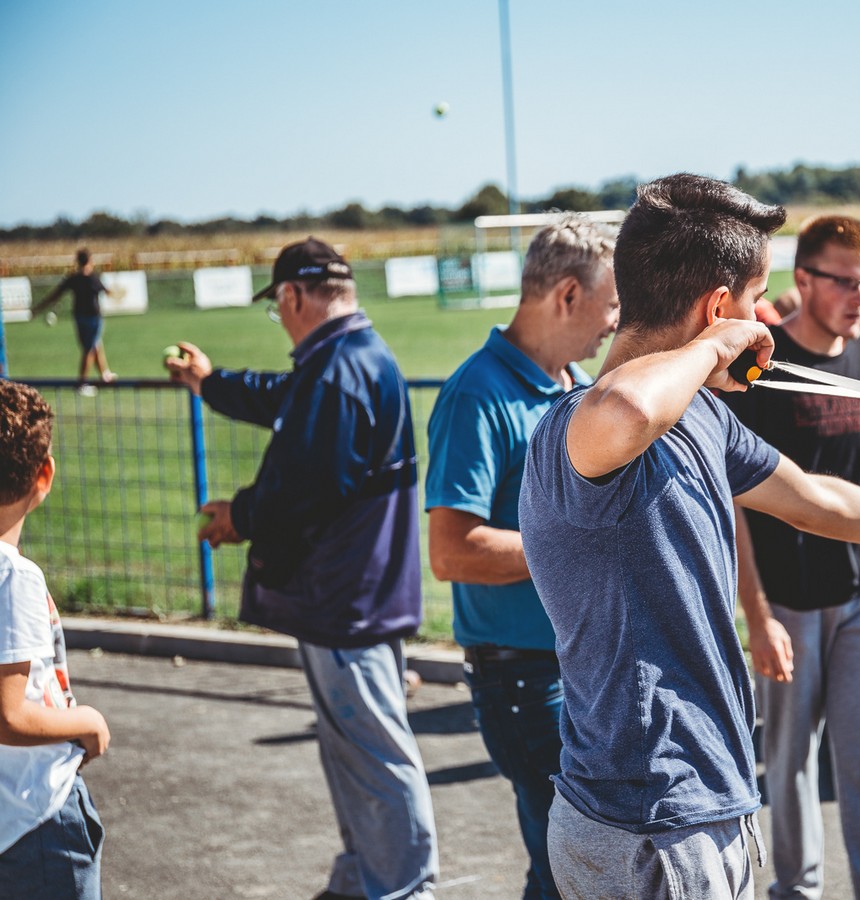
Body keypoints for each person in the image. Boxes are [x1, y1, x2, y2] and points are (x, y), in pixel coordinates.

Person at [516, 173, 860, 899]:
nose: (766, 318)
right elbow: (627, 402)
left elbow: (812, 499)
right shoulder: (579, 427)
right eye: (755, 302)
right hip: (648, 821)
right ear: (718, 308)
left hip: (695, 806)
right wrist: (717, 345)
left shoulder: (700, 415)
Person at [165, 238, 438, 900]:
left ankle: (404, 887)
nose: (280, 319)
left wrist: (241, 514)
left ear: (292, 296)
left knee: (374, 757)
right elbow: (287, 402)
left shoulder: (341, 370)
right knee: (355, 754)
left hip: (348, 598)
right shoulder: (342, 360)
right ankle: (364, 879)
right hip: (350, 595)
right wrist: (213, 382)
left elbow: (306, 487)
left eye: (277, 307)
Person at [424, 214, 619, 900]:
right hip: (526, 680)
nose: (613, 324)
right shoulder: (477, 393)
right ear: (567, 295)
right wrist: (585, 542)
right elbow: (451, 552)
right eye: (611, 304)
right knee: (573, 868)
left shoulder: (575, 384)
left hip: (576, 666)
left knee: (569, 864)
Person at [722, 215, 860, 899]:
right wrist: (758, 613)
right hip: (791, 602)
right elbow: (737, 501)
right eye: (845, 281)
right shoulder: (761, 376)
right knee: (789, 760)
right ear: (803, 280)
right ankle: (796, 891)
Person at [0, 380, 111, 899]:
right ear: (43, 475)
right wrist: (85, 722)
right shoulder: (14, 578)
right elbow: (10, 716)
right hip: (35, 818)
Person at [33, 249, 117, 393]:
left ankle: (105, 374)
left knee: (95, 344)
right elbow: (107, 292)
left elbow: (55, 294)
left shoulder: (73, 278)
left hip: (79, 317)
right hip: (93, 318)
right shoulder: (92, 278)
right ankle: (82, 384)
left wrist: (38, 308)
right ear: (90, 260)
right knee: (89, 349)